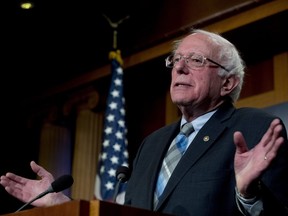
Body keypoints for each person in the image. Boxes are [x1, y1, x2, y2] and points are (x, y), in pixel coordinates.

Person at [1, 29, 287, 216]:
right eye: (176, 59)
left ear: (228, 83)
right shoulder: (153, 144)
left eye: (196, 60)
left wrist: (248, 195)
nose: (180, 67)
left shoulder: (254, 129)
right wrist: (61, 205)